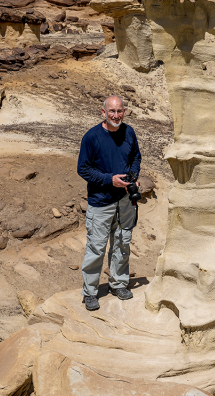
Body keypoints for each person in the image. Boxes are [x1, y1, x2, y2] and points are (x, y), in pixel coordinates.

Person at [77, 95, 141, 311]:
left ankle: (118, 284)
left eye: (119, 111)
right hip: (101, 202)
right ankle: (90, 292)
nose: (116, 115)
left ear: (124, 112)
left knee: (122, 243)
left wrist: (133, 176)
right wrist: (109, 180)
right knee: (96, 247)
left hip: (124, 201)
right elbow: (83, 169)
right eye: (111, 111)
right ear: (103, 112)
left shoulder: (129, 132)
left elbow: (136, 158)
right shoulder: (92, 137)